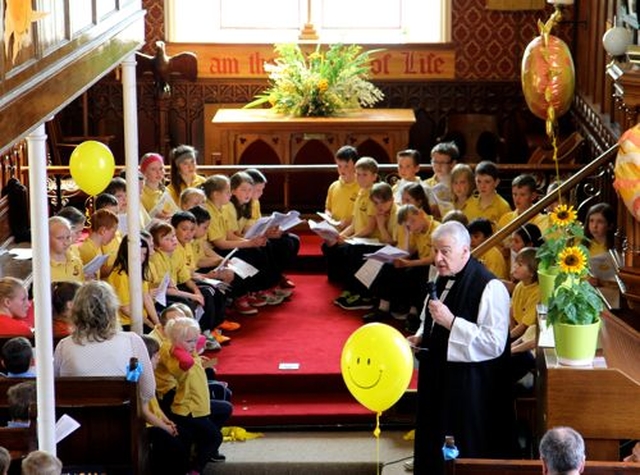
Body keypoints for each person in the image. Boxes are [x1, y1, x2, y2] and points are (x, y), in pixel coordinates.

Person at [407, 221, 514, 474]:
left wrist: (452, 322)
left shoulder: (490, 286)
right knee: (432, 437)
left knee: (463, 443)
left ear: (465, 251)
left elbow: (494, 343)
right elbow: (429, 316)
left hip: (470, 386)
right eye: (435, 251)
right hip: (437, 377)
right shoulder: (441, 276)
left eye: (445, 251)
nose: (438, 258)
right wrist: (422, 336)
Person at [53, 281, 156, 405]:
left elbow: (54, 389)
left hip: (78, 421)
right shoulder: (132, 341)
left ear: (77, 311)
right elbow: (148, 391)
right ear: (112, 310)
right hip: (121, 421)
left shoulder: (64, 346)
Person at [160, 316, 225, 472]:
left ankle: (194, 457)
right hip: (188, 409)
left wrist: (190, 340)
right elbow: (187, 362)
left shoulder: (190, 350)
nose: (194, 345)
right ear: (175, 343)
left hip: (199, 406)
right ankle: (196, 469)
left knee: (222, 412)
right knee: (215, 437)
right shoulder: (179, 361)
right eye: (189, 342)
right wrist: (175, 348)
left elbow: (200, 340)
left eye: (194, 341)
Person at [140, 334, 191, 475]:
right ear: (145, 358)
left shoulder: (149, 375)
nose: (159, 358)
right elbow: (144, 412)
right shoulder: (140, 379)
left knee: (185, 435)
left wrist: (167, 421)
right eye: (155, 355)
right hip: (146, 426)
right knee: (174, 445)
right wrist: (165, 427)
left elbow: (155, 406)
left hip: (156, 421)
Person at [108, 234, 160, 331]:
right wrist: (149, 323)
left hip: (141, 318)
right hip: (126, 323)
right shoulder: (121, 275)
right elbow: (125, 309)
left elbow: (146, 298)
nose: (141, 258)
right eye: (137, 254)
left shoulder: (138, 270)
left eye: (144, 254)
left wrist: (157, 323)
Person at [464, 160, 511, 230]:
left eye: (487, 182)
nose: (482, 186)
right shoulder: (468, 204)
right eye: (479, 181)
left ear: (496, 182)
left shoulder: (503, 207)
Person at [324, 145, 359, 231]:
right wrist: (328, 216)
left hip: (354, 231)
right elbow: (328, 208)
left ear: (355, 166)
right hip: (335, 230)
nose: (342, 170)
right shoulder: (333, 186)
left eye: (346, 166)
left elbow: (363, 213)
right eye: (339, 166)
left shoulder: (362, 187)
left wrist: (347, 222)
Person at [77, 208, 119, 279]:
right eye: (113, 232)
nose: (114, 236)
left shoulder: (97, 247)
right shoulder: (87, 250)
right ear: (103, 230)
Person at [140, 152, 180, 220]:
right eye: (153, 169)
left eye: (161, 168)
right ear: (144, 172)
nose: (158, 172)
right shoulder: (140, 193)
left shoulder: (167, 190)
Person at [49, 216, 84, 283]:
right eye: (60, 238)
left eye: (68, 237)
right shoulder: (42, 266)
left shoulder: (76, 262)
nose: (66, 242)